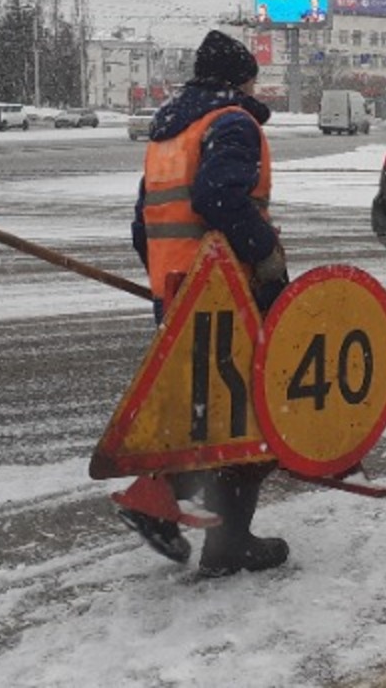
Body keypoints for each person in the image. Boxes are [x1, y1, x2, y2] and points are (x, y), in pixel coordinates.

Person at [120, 29, 292, 577]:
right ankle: (208, 528)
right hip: (224, 290)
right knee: (249, 419)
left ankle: (181, 513)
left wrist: (165, 279)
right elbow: (219, 196)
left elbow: (143, 221)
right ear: (242, 79)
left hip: (177, 292)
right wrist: (264, 255)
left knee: (205, 414)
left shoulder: (170, 131)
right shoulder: (231, 122)